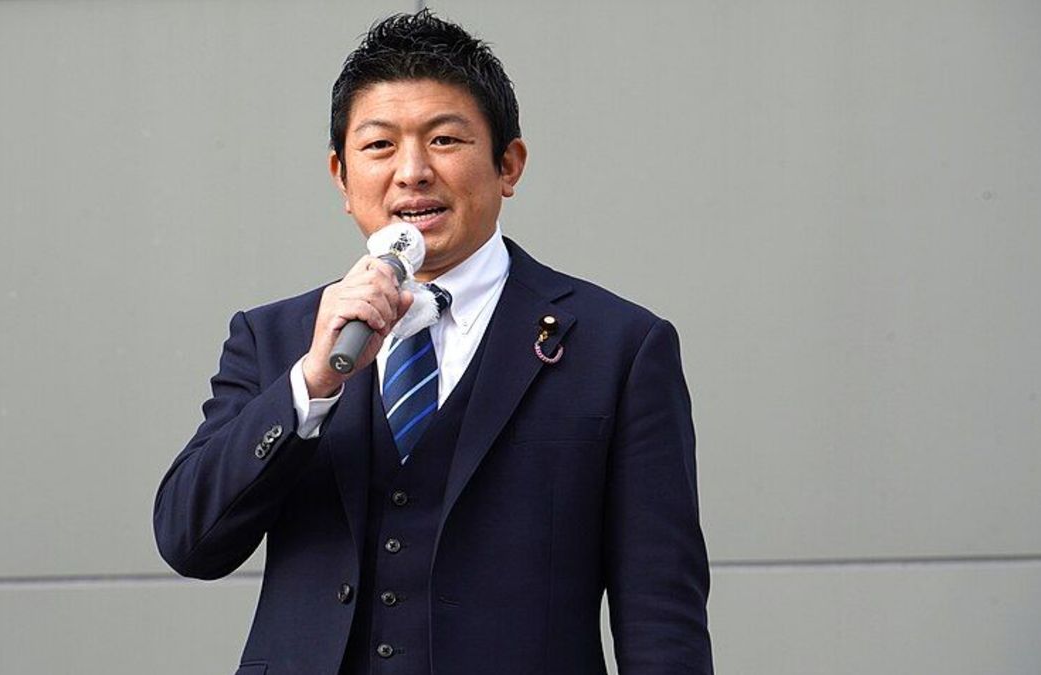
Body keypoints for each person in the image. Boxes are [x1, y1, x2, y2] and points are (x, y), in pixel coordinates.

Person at [153, 10, 712, 675]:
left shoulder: (619, 348)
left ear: (508, 164)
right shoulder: (276, 338)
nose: (412, 172)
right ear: (341, 176)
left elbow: (661, 611)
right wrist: (311, 384)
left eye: (445, 139)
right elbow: (189, 539)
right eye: (379, 145)